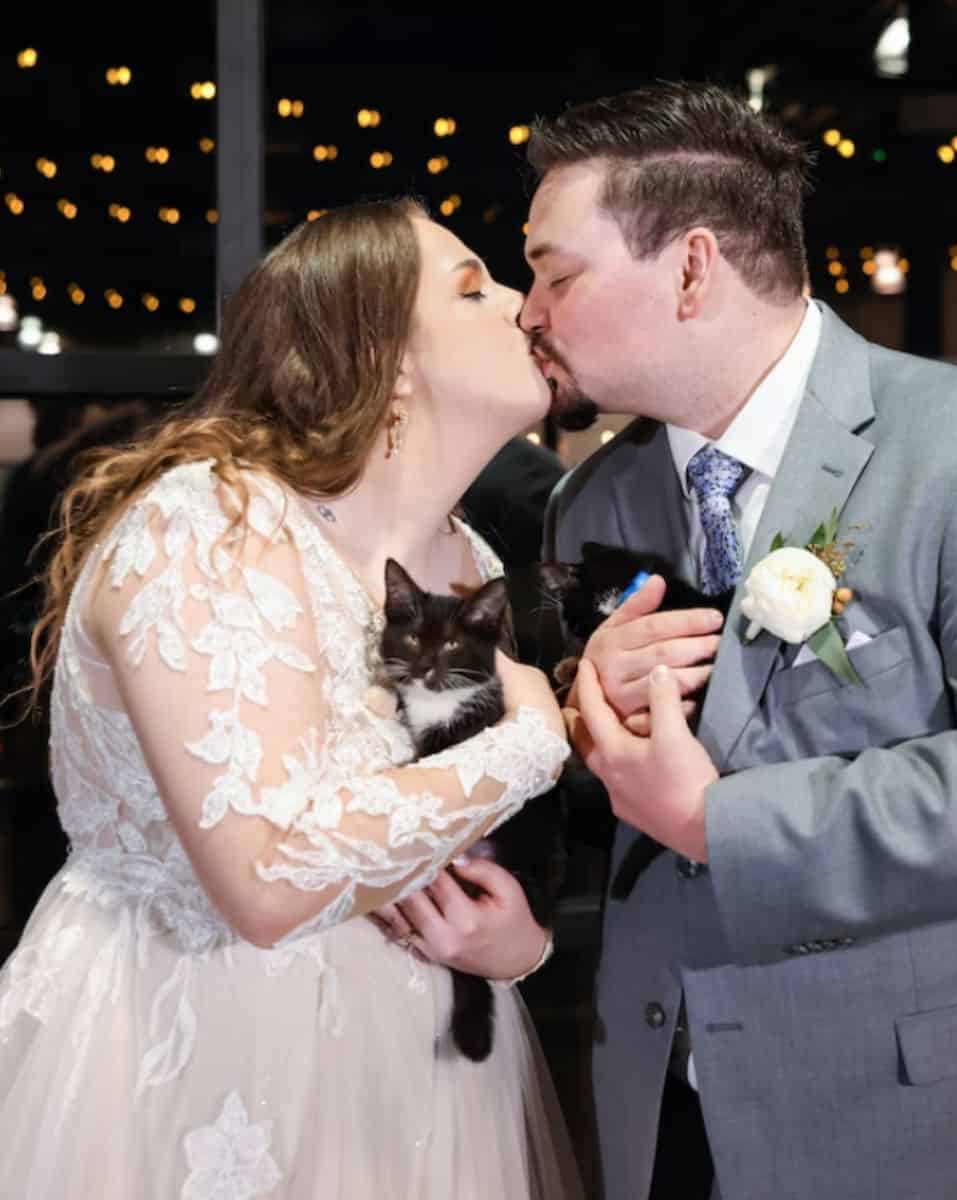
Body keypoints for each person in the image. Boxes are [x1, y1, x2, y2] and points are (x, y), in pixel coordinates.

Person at [521, 81, 957, 1200]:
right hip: (657, 1094)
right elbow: (609, 807)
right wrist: (576, 724)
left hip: (926, 1108)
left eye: (555, 272)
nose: (531, 311)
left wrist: (720, 821)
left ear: (692, 269)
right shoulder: (596, 506)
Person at [0, 198, 584, 1198]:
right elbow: (268, 876)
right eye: (473, 285)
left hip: (414, 1071)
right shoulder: (211, 523)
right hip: (188, 1050)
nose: (521, 303)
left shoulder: (464, 558)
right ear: (385, 355)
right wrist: (536, 737)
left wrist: (519, 944)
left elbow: (428, 834)